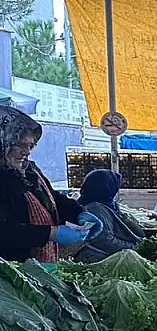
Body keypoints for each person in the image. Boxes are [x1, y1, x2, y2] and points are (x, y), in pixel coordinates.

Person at [0, 106, 99, 261]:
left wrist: (78, 213)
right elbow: (4, 231)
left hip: (40, 262)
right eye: (20, 144)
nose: (27, 151)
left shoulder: (29, 170)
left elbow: (52, 198)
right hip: (9, 266)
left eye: (31, 145)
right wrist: (51, 233)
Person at [77, 169, 147, 261]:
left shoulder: (109, 204)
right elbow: (104, 241)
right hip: (102, 258)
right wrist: (135, 248)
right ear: (106, 188)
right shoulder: (96, 209)